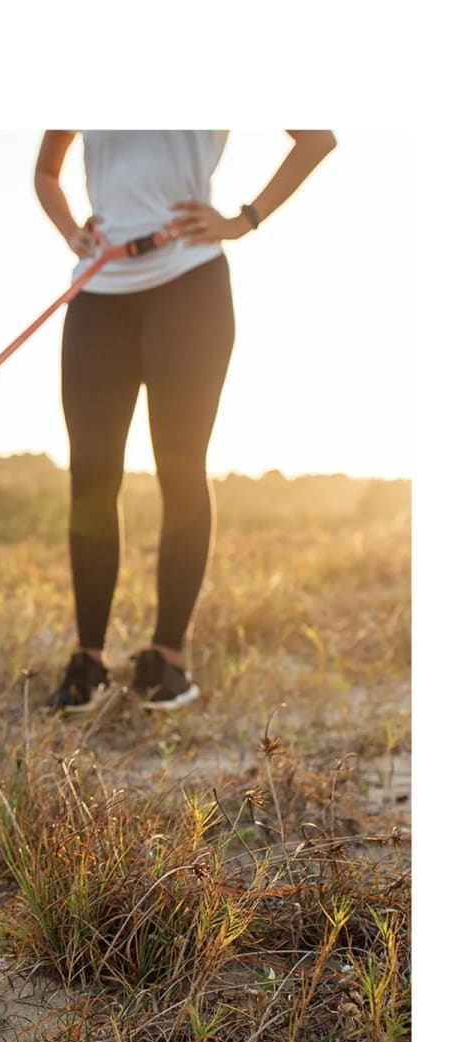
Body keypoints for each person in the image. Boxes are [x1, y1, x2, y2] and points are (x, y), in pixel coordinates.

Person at [34, 129, 337, 712]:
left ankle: (167, 660)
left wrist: (245, 219)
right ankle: (88, 661)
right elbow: (47, 172)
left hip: (190, 288)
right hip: (99, 294)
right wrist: (72, 231)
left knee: (180, 468)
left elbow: (316, 138)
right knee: (91, 475)